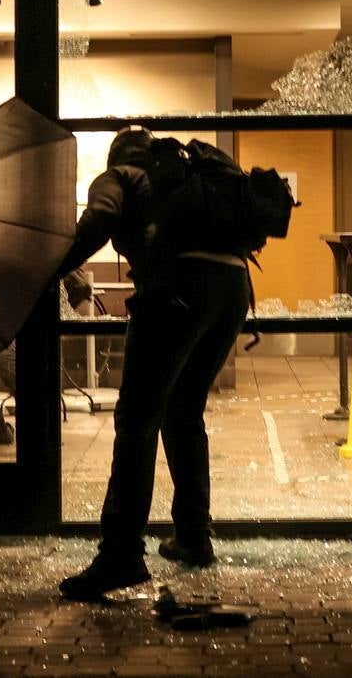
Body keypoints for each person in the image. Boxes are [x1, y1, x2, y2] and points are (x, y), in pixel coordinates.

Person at [55, 128, 251, 600]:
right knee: (184, 412)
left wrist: (56, 265)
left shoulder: (118, 176)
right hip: (232, 289)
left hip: (178, 290)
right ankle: (192, 537)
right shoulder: (187, 178)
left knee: (137, 420)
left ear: (117, 157)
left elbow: (99, 219)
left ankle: (120, 555)